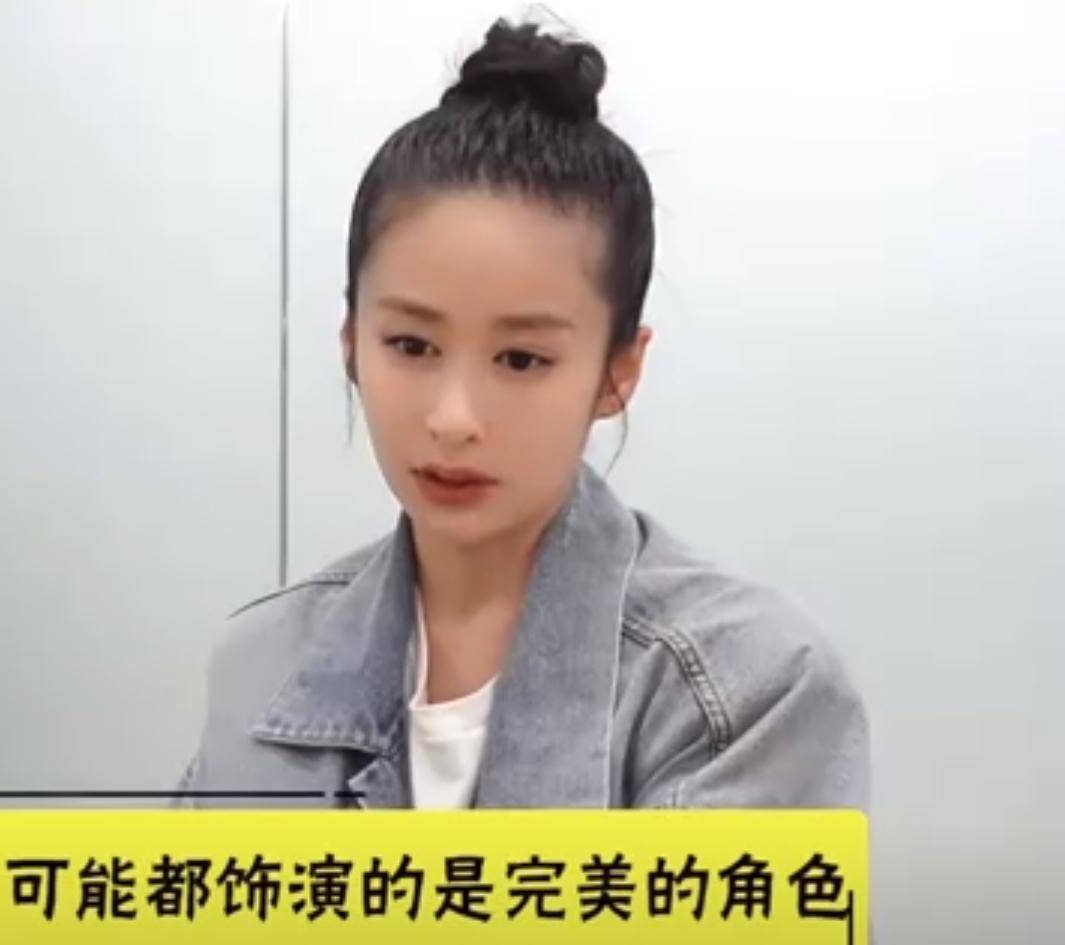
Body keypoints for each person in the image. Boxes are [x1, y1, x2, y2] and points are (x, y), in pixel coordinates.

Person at [177, 17, 869, 813]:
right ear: (350, 342)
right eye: (409, 344)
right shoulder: (263, 661)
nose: (453, 419)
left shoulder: (748, 688)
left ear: (617, 372)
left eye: (520, 359)